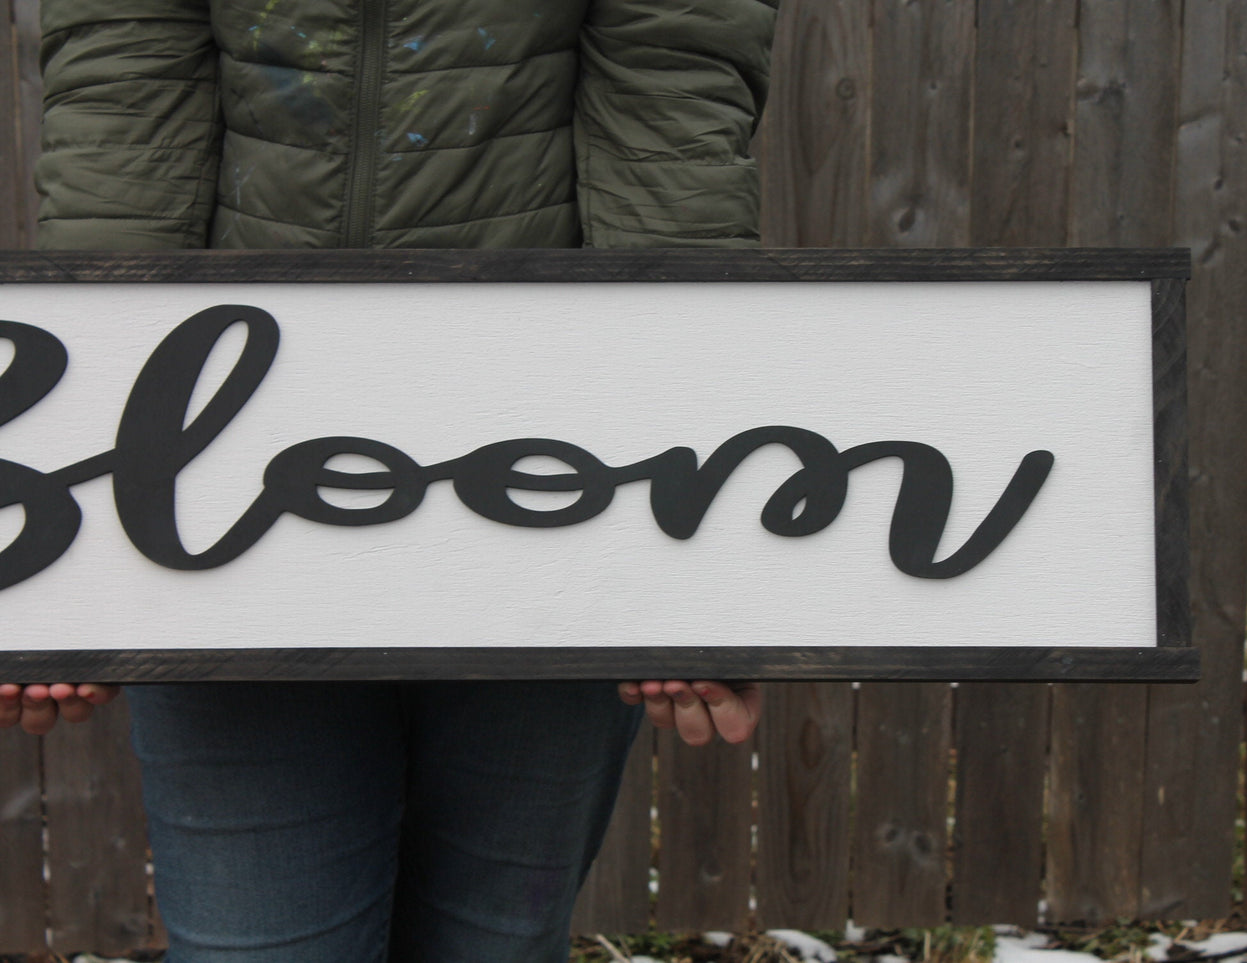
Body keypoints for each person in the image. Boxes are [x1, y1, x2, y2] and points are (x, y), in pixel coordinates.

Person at [3, 0, 774, 958]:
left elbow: (674, 108)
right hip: (231, 500)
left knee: (491, 946)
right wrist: (82, 541)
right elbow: (123, 119)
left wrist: (700, 552)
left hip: (556, 488)